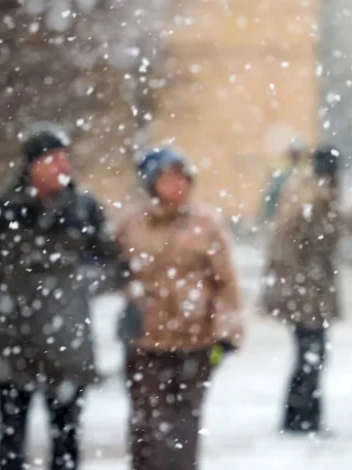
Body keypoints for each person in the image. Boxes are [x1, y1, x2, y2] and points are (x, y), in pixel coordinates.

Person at [0, 123, 123, 470]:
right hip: (15, 343)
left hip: (67, 347)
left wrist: (80, 282)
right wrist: (12, 277)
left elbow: (112, 265)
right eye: (53, 159)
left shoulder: (84, 209)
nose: (62, 167)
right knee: (11, 441)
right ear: (31, 165)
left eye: (65, 159)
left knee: (66, 442)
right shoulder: (3, 209)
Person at [115, 146, 243, 470]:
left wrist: (227, 333)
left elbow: (226, 283)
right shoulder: (131, 224)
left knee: (184, 427)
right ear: (151, 183)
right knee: (146, 428)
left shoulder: (206, 224)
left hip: (194, 343)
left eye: (183, 177)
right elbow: (113, 270)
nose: (178, 185)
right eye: (169, 178)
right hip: (145, 342)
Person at [261, 144, 345, 434]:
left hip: (305, 286)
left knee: (311, 354)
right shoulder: (314, 195)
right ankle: (302, 418)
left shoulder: (306, 190)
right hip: (306, 288)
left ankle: (302, 417)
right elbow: (301, 241)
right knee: (312, 354)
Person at [260, 138, 308, 223]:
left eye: (298, 153)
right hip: (284, 216)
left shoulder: (306, 170)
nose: (295, 156)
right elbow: (272, 195)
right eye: (294, 153)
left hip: (299, 216)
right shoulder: (280, 170)